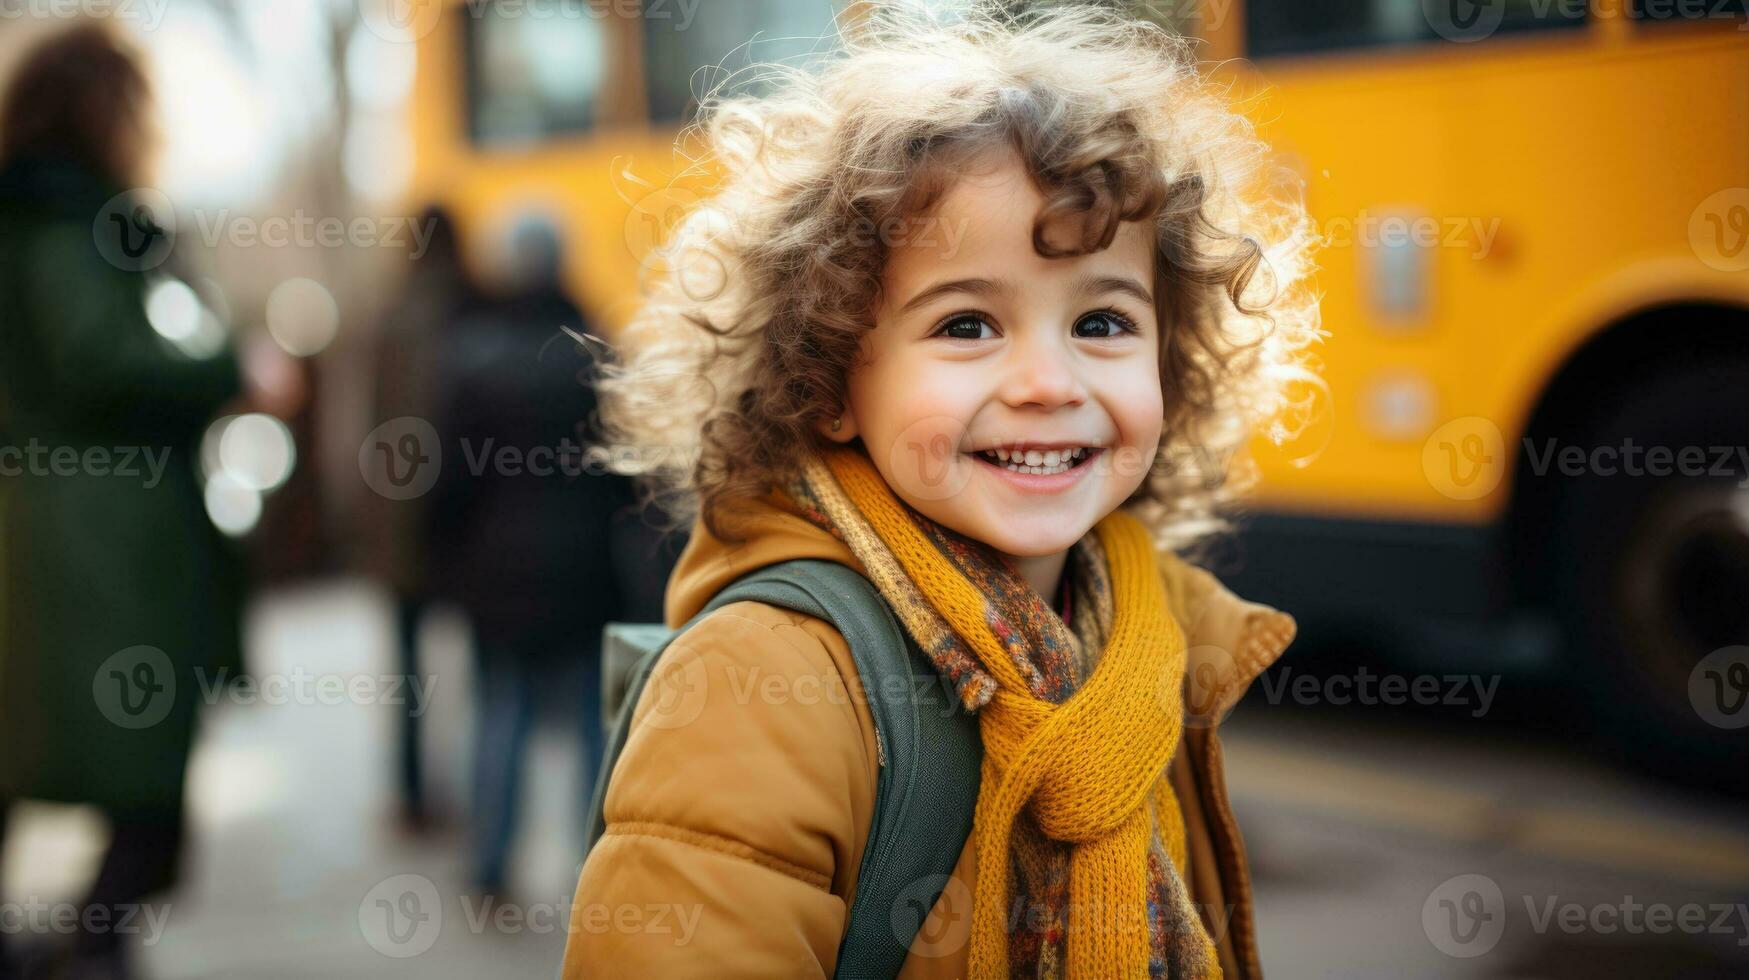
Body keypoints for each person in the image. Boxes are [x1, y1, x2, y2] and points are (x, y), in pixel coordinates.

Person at [561, 2, 1322, 977]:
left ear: (1171, 359)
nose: (1048, 381)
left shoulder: (1149, 642)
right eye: (967, 326)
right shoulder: (759, 687)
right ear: (833, 377)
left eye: (1102, 322)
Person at [0, 21, 296, 980]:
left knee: (101, 767)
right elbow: (98, 357)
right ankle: (88, 948)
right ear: (107, 110)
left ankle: (83, 944)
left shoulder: (68, 218)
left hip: (82, 537)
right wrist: (228, 366)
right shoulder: (59, 223)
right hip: (93, 547)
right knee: (140, 777)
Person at [426, 214, 634, 896]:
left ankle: (490, 867)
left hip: (497, 576)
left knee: (500, 714)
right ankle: (598, 872)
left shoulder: (472, 357)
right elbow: (627, 479)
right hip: (584, 573)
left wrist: (447, 566)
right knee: (590, 726)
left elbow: (448, 485)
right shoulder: (596, 355)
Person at [360, 204, 478, 833]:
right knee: (477, 664)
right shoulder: (470, 309)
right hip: (459, 521)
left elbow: (368, 430)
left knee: (406, 674)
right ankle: (479, 794)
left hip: (394, 523)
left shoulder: (386, 318)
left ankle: (410, 794)